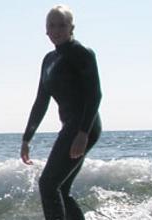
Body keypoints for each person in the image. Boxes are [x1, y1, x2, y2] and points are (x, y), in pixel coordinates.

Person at [20, 5, 102, 220]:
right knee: (60, 190)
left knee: (47, 184)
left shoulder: (81, 53)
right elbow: (41, 101)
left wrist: (82, 133)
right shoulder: (49, 60)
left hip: (84, 126)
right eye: (51, 26)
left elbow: (95, 95)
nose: (56, 30)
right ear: (46, 30)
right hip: (71, 126)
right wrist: (27, 138)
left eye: (62, 25)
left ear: (71, 27)